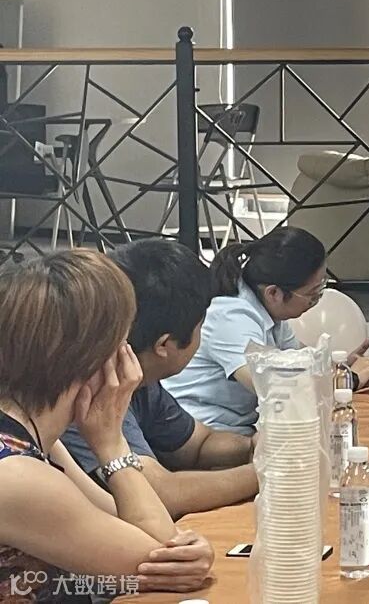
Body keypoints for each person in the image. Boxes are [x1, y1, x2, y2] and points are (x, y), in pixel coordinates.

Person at [0, 250, 213, 600]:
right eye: (123, 343)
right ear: (95, 357)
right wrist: (110, 443)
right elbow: (163, 564)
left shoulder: (34, 441)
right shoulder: (17, 474)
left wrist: (188, 549)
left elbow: (134, 530)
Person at [61, 240, 258, 518]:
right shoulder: (88, 389)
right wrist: (267, 472)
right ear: (164, 344)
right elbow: (161, 495)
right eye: (201, 326)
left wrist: (255, 445)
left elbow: (197, 445)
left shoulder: (136, 376)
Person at [164, 227, 369, 435]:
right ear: (274, 293)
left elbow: (303, 362)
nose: (316, 301)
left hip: (237, 431)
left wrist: (340, 366)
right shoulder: (232, 317)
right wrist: (351, 380)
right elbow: (275, 389)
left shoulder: (268, 308)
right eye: (313, 294)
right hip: (204, 436)